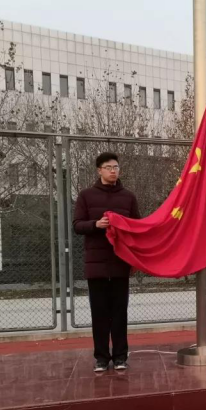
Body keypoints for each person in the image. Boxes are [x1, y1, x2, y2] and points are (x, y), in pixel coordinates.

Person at [73, 152, 140, 373]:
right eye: (109, 167)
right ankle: (101, 358)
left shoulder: (128, 197)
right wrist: (96, 225)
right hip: (96, 265)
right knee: (99, 314)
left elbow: (137, 227)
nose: (113, 171)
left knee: (120, 313)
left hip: (120, 263)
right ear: (99, 170)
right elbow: (77, 225)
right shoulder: (86, 195)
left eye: (116, 167)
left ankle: (120, 356)